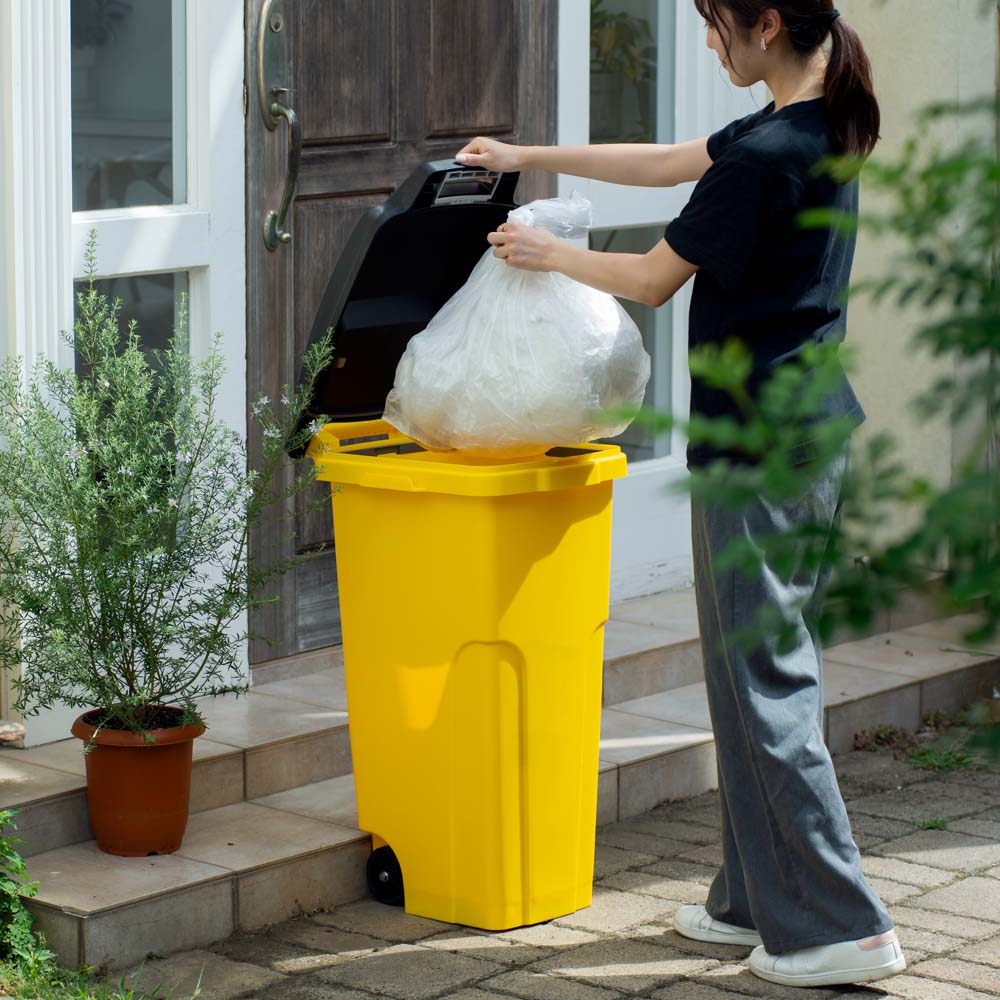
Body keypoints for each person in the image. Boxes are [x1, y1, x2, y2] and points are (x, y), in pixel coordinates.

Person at [454, 0, 907, 990]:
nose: (706, 40)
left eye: (714, 22)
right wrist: (526, 154)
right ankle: (754, 900)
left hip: (759, 448)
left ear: (766, 22)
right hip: (803, 433)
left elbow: (655, 277)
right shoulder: (815, 119)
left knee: (765, 685)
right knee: (751, 677)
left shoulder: (770, 154)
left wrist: (546, 255)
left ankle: (841, 925)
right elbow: (666, 161)